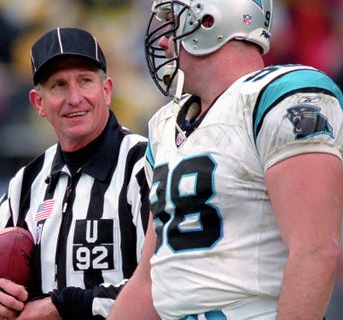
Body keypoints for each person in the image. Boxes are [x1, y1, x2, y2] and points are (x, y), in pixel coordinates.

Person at [108, 0, 343, 319]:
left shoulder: (281, 97)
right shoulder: (166, 126)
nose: (163, 41)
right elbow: (150, 280)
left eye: (174, 24)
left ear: (209, 21)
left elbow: (316, 251)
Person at [0, 27, 150, 320]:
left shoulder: (145, 165)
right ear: (38, 103)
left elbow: (164, 285)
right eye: (58, 85)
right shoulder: (29, 180)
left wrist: (61, 306)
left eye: (85, 81)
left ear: (107, 90)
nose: (74, 98)